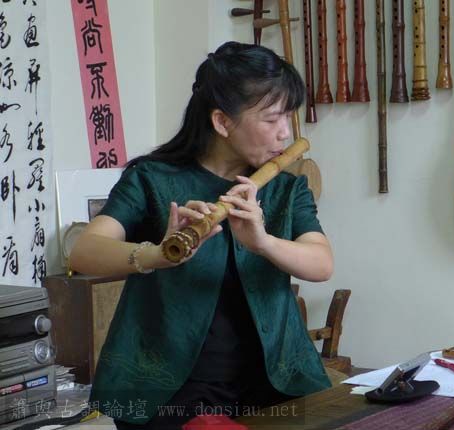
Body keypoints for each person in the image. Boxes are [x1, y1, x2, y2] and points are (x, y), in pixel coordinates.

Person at [69, 41, 334, 429]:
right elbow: (83, 251)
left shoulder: (286, 188)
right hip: (171, 390)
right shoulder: (151, 178)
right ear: (222, 122)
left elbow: (321, 264)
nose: (285, 133)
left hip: (271, 383)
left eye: (288, 117)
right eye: (272, 119)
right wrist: (158, 254)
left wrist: (263, 242)